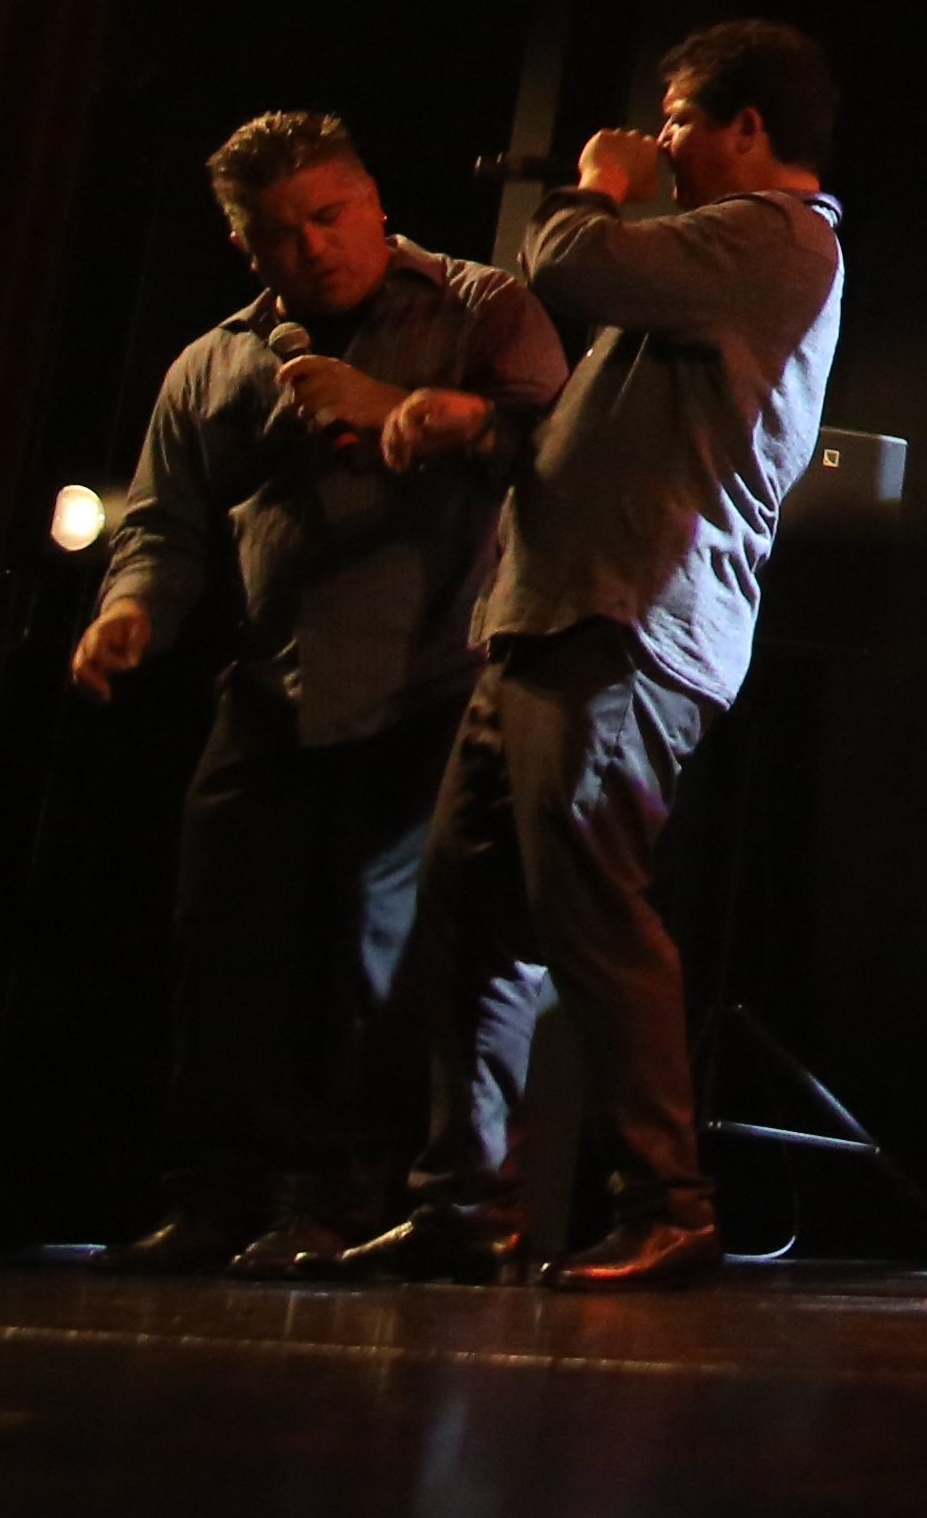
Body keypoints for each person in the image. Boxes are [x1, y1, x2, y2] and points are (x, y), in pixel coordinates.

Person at [338, 18, 848, 1292]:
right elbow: (599, 431)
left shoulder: (776, 237)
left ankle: (668, 1204)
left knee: (590, 906)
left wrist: (598, 184)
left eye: (677, 117)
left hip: (629, 621)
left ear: (747, 127)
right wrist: (478, 431)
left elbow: (565, 262)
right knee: (469, 910)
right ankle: (468, 1201)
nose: (659, 139)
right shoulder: (699, 260)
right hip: (551, 610)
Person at [70, 116, 565, 1274]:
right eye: (280, 234)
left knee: (381, 967)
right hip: (276, 687)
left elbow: (558, 460)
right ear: (246, 248)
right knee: (226, 953)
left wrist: (400, 407)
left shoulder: (479, 309)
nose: (314, 249)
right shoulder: (214, 364)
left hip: (435, 685)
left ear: (373, 200)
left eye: (330, 217)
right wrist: (131, 609)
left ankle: (344, 1202)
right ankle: (216, 1197)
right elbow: (163, 525)